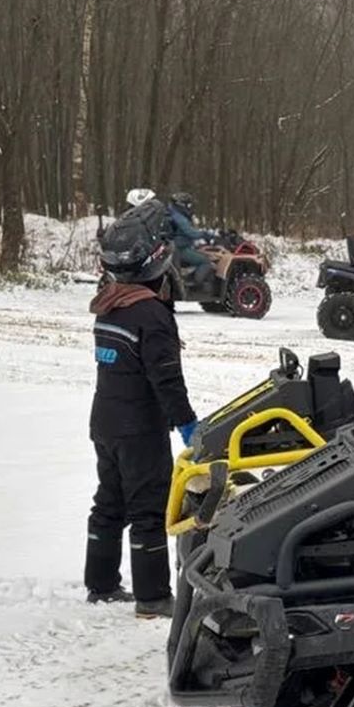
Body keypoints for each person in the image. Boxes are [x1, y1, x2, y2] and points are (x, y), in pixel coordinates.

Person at [85, 242, 198, 620]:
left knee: (109, 502)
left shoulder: (108, 305)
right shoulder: (150, 314)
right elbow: (167, 379)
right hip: (139, 428)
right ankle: (152, 598)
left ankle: (100, 584)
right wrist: (187, 423)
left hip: (105, 421)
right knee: (148, 508)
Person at [166, 191, 217, 276]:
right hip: (180, 249)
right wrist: (205, 234)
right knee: (205, 261)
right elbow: (191, 233)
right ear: (182, 205)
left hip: (175, 248)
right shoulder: (179, 218)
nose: (190, 207)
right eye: (188, 205)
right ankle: (196, 283)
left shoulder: (171, 214)